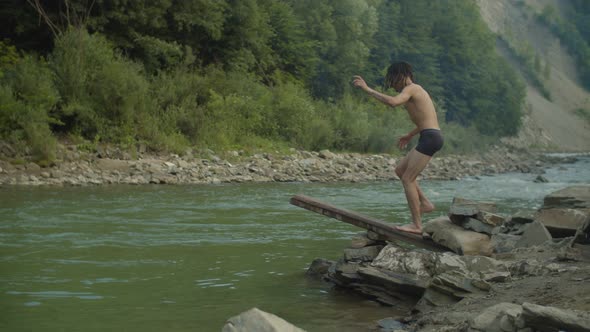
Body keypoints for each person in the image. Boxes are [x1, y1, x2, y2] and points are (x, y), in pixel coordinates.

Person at [352, 61, 443, 235]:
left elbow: (394, 102)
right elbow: (426, 119)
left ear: (402, 76)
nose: (393, 86)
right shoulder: (416, 91)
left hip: (431, 137)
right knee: (400, 170)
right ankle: (425, 203)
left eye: (393, 81)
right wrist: (410, 135)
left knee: (407, 179)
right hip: (429, 135)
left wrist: (367, 89)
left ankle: (417, 225)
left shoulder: (411, 89)